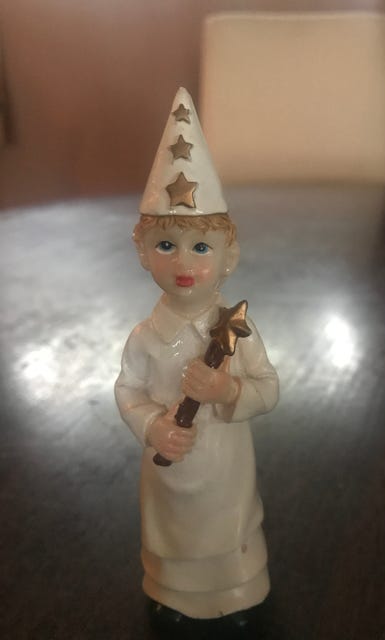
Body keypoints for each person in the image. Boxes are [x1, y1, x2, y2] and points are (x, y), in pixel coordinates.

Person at [114, 88, 279, 631]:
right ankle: (172, 594)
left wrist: (228, 391)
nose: (183, 263)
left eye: (201, 247)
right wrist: (152, 427)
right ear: (143, 253)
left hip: (225, 467)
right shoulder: (145, 338)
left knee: (226, 529)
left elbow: (268, 387)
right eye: (166, 245)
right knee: (175, 535)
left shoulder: (236, 329)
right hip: (172, 466)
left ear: (229, 257)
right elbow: (128, 390)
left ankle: (236, 592)